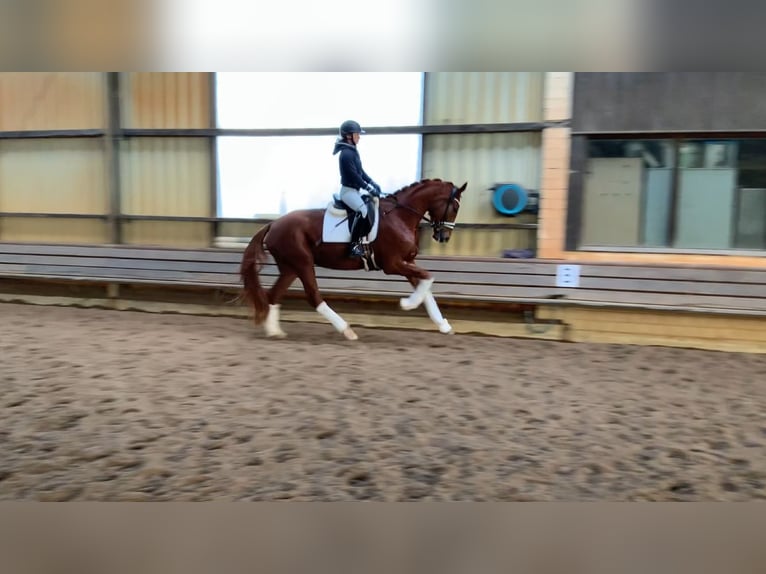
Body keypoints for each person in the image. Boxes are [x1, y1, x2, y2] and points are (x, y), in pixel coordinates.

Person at [332, 120, 382, 257]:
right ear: (349, 136)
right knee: (363, 211)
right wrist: (368, 188)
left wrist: (372, 183)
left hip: (354, 191)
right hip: (348, 192)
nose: (359, 137)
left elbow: (360, 172)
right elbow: (354, 176)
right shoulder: (346, 154)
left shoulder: (352, 151)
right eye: (357, 134)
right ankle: (353, 245)